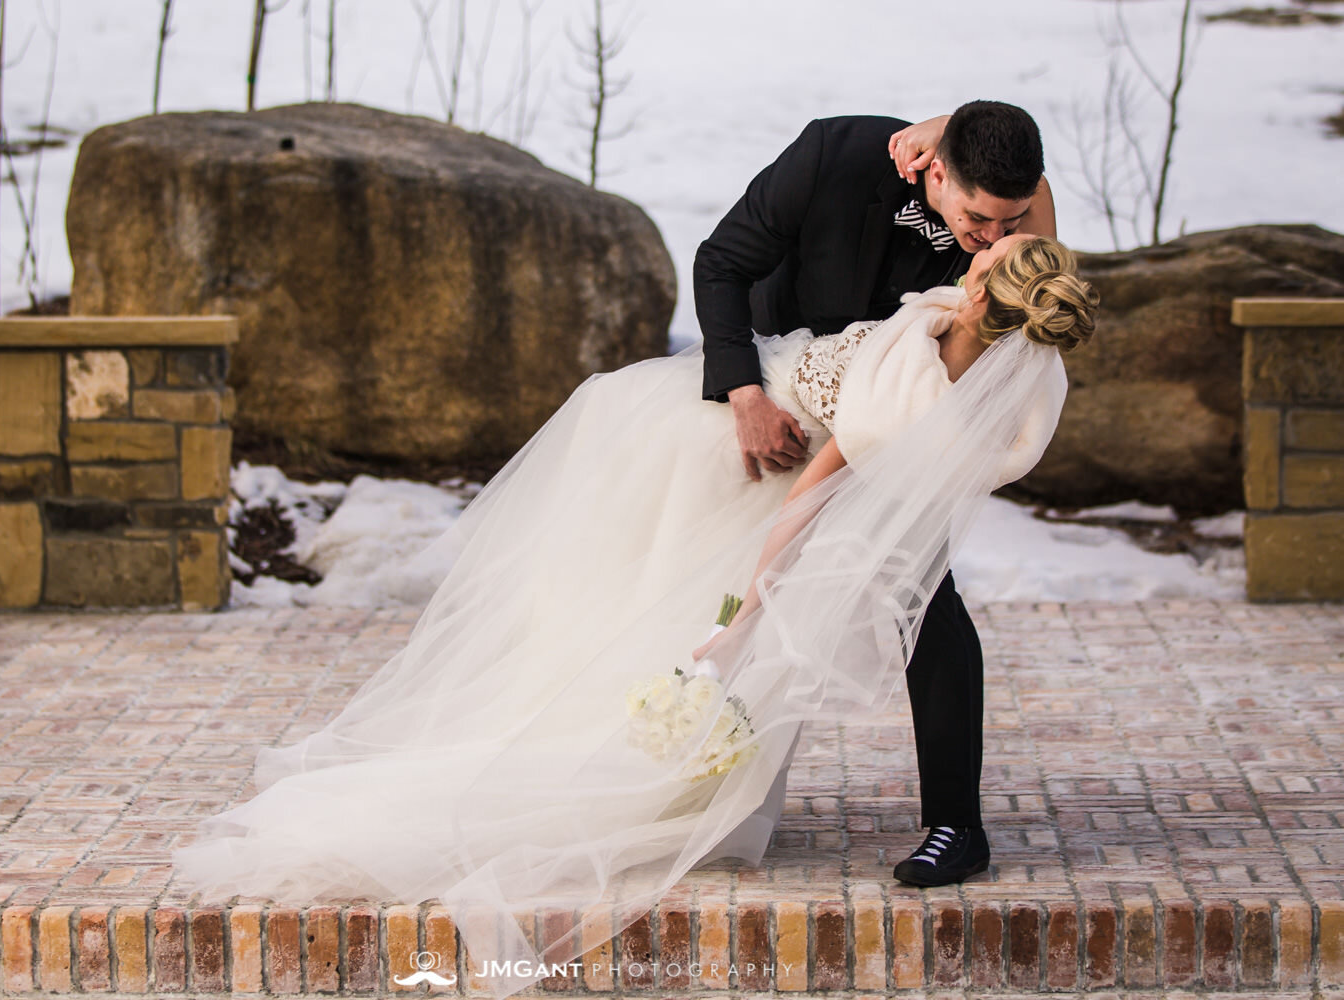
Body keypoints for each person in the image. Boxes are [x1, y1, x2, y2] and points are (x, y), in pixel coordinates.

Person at [170, 225, 1097, 1000]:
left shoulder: (920, 397)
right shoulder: (1014, 368)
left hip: (792, 460)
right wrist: (736, 624)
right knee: (638, 603)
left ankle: (649, 749)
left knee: (714, 626)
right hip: (755, 416)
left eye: (975, 264)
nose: (961, 256)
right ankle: (588, 735)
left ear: (979, 306)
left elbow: (808, 503)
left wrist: (741, 615)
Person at [693, 99, 1057, 886]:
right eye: (979, 219)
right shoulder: (835, 154)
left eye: (1013, 220)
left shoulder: (999, 263)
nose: (993, 240)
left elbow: (1032, 236)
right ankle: (690, 783)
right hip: (779, 392)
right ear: (937, 168)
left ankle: (958, 825)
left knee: (922, 595)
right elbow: (720, 262)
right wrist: (745, 397)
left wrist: (955, 121)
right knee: (701, 574)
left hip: (900, 411)